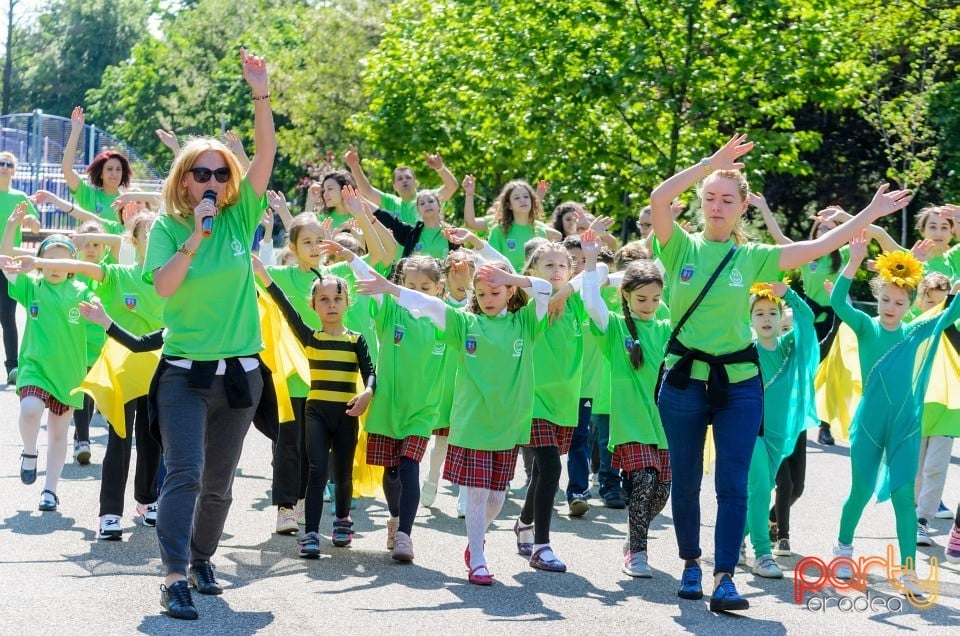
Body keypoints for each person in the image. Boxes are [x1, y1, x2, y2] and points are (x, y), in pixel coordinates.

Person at [649, 133, 911, 612]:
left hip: (738, 383)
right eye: (709, 197)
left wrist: (869, 214)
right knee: (685, 480)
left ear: (744, 207)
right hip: (685, 379)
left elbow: (818, 246)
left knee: (734, 482)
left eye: (727, 199)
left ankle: (725, 576)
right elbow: (659, 198)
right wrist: (710, 162)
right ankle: (690, 563)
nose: (716, 206)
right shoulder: (679, 247)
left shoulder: (753, 258)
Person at [142, 48, 275, 621]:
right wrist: (196, 236)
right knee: (185, 473)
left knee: (220, 483)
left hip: (242, 372)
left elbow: (266, 152)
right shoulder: (170, 229)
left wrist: (261, 92)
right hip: (184, 374)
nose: (216, 180)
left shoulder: (243, 216)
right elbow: (166, 287)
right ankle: (173, 576)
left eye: (223, 173)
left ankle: (200, 559)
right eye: (205, 173)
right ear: (185, 179)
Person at [356, 260, 551, 586]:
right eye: (482, 292)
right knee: (475, 496)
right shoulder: (465, 323)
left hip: (507, 425)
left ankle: (477, 540)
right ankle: (477, 557)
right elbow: (430, 304)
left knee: (496, 500)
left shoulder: (525, 323)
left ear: (510, 291)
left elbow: (544, 289)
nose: (489, 298)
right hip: (471, 423)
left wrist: (510, 275)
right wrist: (391, 288)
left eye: (496, 291)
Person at [11, 212, 164, 539]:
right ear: (134, 242)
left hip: (160, 373)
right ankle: (110, 513)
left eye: (163, 235)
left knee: (152, 441)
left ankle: (147, 501)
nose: (158, 242)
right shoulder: (118, 274)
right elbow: (83, 266)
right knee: (119, 442)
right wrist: (40, 262)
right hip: (121, 372)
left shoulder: (175, 280)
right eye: (150, 235)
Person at [830, 234, 960, 599]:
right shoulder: (866, 326)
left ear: (910, 304)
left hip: (904, 426)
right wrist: (854, 260)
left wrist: (957, 293)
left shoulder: (914, 332)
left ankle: (907, 572)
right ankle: (842, 551)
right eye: (885, 299)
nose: (890, 307)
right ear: (877, 297)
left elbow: (950, 314)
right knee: (861, 490)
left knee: (906, 497)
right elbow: (837, 300)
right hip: (870, 424)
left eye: (899, 302)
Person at [253, 253, 375, 558]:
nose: (331, 304)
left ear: (348, 303)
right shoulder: (311, 338)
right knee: (317, 471)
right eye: (323, 299)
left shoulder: (356, 340)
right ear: (313, 305)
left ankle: (342, 520)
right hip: (316, 413)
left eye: (337, 298)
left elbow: (370, 371)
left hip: (347, 413)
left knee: (343, 474)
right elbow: (285, 308)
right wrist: (264, 276)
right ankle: (310, 533)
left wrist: (367, 394)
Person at [580, 231, 672, 578]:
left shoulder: (666, 327)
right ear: (627, 296)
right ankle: (638, 553)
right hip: (630, 423)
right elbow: (591, 303)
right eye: (641, 299)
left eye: (655, 299)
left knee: (661, 494)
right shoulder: (616, 328)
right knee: (645, 481)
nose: (648, 306)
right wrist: (591, 261)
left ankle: (634, 534)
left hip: (664, 425)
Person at [349, 253, 448, 561]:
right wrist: (349, 256)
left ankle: (405, 535)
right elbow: (373, 283)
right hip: (388, 406)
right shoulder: (391, 309)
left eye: (425, 287)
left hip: (422, 409)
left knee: (409, 468)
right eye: (410, 285)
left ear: (439, 288)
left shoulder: (445, 317)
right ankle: (394, 518)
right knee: (390, 472)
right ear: (400, 285)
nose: (417, 292)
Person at [0, 203, 90, 513]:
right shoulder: (32, 287)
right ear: (39, 262)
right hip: (35, 367)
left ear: (72, 263)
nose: (54, 267)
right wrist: (12, 225)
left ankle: (50, 490)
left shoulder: (82, 290)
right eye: (47, 260)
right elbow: (6, 260)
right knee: (29, 409)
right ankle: (28, 452)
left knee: (58, 433)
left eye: (61, 261)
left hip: (69, 374)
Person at [512, 241, 586, 572]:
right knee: (551, 468)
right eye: (548, 265)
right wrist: (552, 293)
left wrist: (567, 291)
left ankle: (525, 521)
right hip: (533, 399)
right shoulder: (533, 304)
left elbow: (597, 275)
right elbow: (540, 289)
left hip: (564, 402)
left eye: (562, 265)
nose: (556, 271)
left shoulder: (577, 304)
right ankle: (541, 546)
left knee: (544, 469)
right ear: (532, 271)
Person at [743, 281, 818, 577]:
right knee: (761, 488)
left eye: (772, 313)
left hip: (778, 434)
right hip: (748, 430)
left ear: (781, 317)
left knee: (759, 492)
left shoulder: (789, 346)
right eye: (759, 313)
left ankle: (735, 540)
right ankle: (763, 554)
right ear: (749, 319)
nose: (766, 319)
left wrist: (789, 295)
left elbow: (808, 320)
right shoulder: (744, 348)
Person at [265, 213, 327, 536]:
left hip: (323, 377)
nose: (314, 247)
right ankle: (285, 508)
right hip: (289, 377)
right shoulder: (281, 275)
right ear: (292, 247)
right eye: (307, 242)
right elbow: (251, 269)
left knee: (312, 447)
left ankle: (303, 498)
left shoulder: (333, 278)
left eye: (319, 241)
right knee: (287, 442)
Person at [421, 249, 477, 518]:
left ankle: (465, 496)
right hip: (443, 381)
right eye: (454, 269)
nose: (460, 274)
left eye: (465, 269)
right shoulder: (439, 304)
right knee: (441, 442)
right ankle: (432, 480)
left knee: (466, 441)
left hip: (469, 382)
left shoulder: (477, 305)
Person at [0, 152, 40, 384]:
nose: (4, 167)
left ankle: (12, 368)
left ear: (14, 170)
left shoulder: (19, 197)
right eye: (1, 163)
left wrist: (31, 221)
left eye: (9, 164)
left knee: (7, 316)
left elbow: (35, 227)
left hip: (8, 262)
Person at [344, 145, 459, 226]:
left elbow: (452, 186)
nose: (404, 180)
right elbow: (366, 190)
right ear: (394, 186)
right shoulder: (390, 202)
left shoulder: (428, 198)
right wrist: (355, 167)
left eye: (408, 177)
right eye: (399, 178)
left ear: (416, 183)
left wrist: (440, 168)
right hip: (398, 260)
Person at [62, 107, 133, 223]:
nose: (114, 173)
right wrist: (75, 132)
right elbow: (66, 169)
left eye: (118, 169)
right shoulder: (89, 196)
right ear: (101, 174)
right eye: (109, 169)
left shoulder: (128, 202)